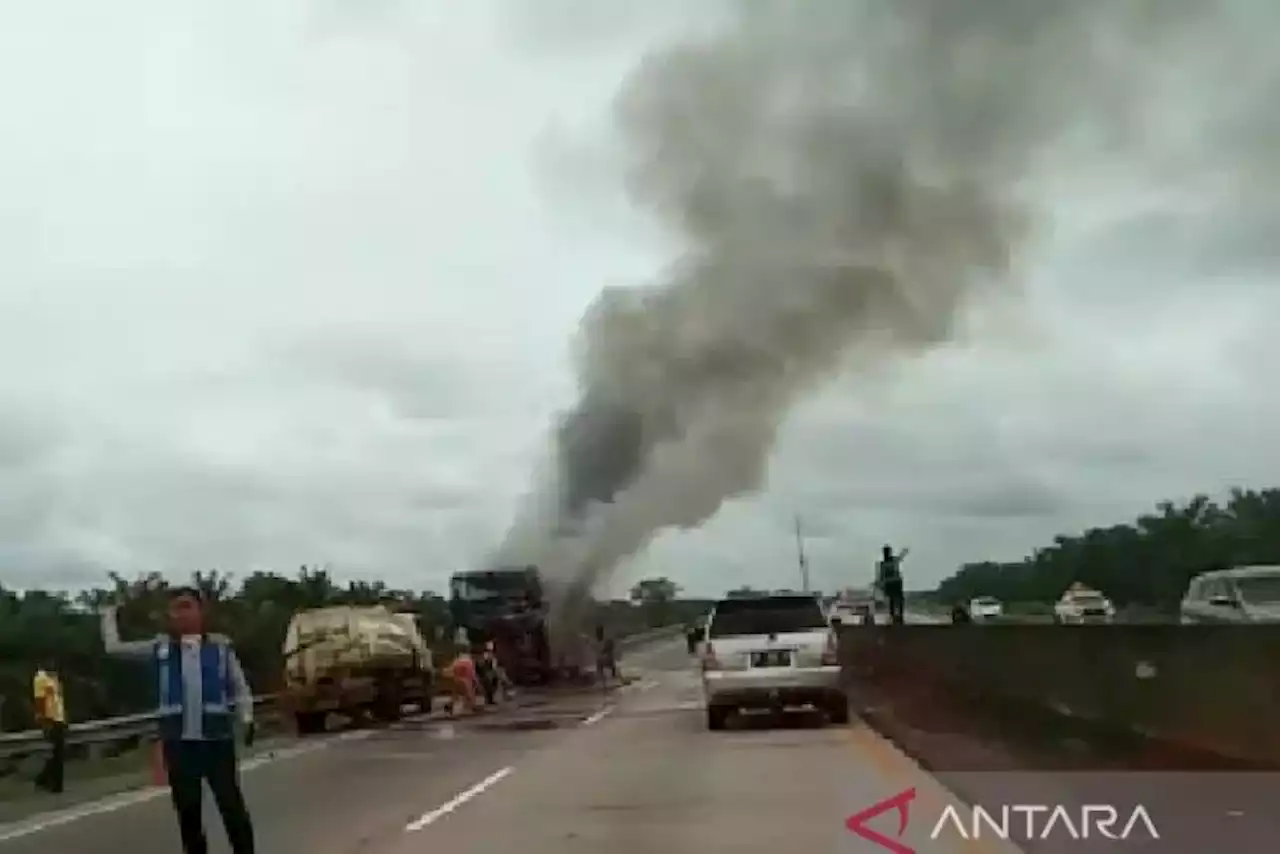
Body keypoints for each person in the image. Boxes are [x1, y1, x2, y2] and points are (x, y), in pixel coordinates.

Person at [101, 588, 256, 854]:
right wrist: (108, 616)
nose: (182, 613)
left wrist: (247, 716)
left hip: (216, 741)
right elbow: (114, 649)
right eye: (176, 608)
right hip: (179, 744)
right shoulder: (160, 648)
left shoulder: (220, 647)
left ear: (201, 611)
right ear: (169, 615)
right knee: (188, 812)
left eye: (187, 606)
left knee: (232, 807)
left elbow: (239, 686)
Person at [32, 658, 67, 794]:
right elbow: (40, 701)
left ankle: (45, 781)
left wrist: (64, 719)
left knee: (57, 754)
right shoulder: (40, 678)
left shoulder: (54, 677)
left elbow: (58, 699)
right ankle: (55, 785)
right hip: (50, 720)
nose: (52, 665)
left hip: (58, 720)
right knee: (56, 754)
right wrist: (45, 722)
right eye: (49, 663)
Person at [877, 545, 909, 625]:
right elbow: (881, 576)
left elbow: (900, 558)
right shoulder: (884, 563)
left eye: (886, 552)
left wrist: (904, 553)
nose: (886, 554)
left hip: (894, 583)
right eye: (885, 553)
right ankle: (894, 615)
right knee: (894, 599)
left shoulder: (887, 562)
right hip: (893, 583)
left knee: (897, 599)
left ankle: (898, 615)